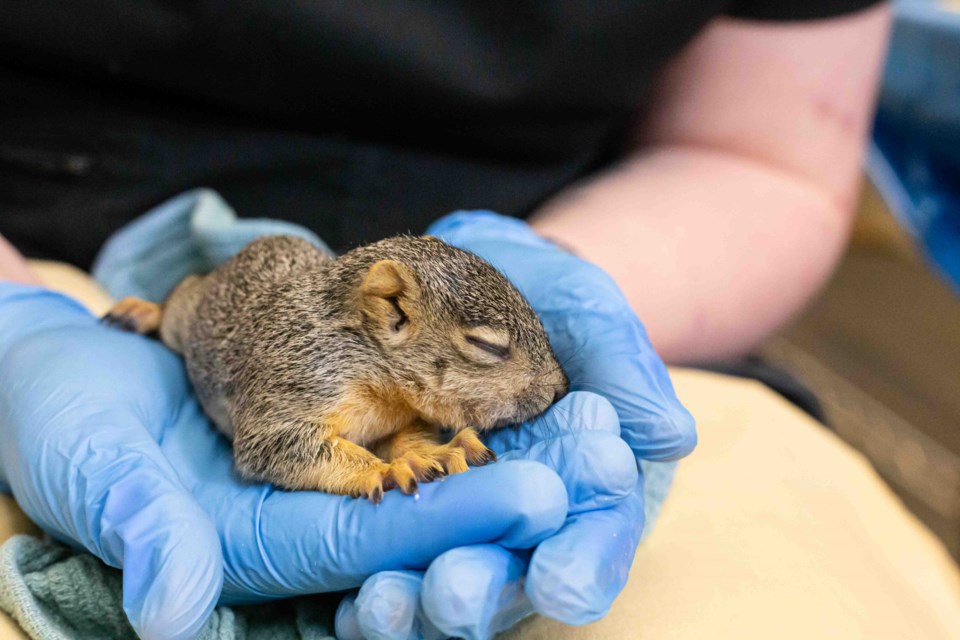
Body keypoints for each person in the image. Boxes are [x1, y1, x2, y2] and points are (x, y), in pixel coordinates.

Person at [0, 2, 890, 639]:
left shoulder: (425, 362)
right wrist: (13, 321)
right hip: (52, 222)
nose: (538, 387)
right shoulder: (329, 374)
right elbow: (278, 448)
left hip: (604, 228)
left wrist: (582, 270)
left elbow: (766, 155)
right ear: (387, 313)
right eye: (486, 354)